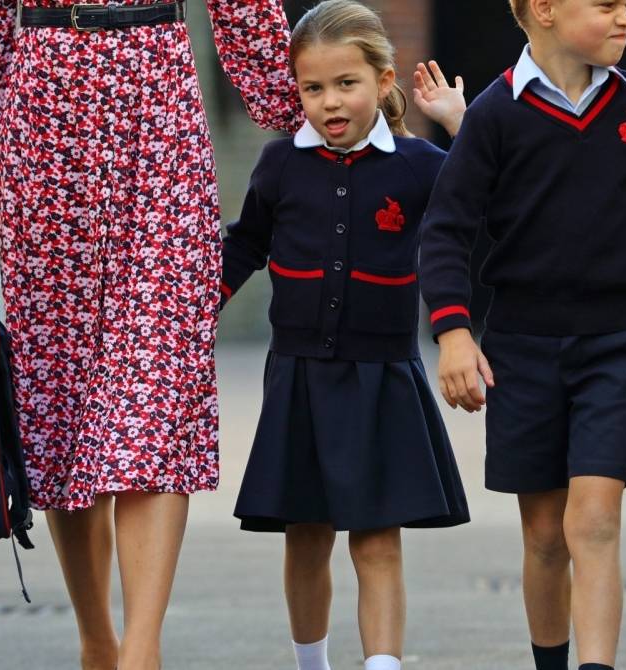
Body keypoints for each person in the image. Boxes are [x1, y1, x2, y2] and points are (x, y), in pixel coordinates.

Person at [0, 2, 302, 668]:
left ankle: (140, 651)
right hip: (45, 119)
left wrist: (302, 106)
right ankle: (98, 641)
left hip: (159, 113)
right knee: (63, 403)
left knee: (156, 388)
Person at [417, 1, 626, 668]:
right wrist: (453, 334)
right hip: (522, 349)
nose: (625, 17)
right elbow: (446, 230)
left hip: (617, 343)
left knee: (595, 521)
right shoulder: (494, 114)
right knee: (546, 535)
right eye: (606, 4)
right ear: (545, 10)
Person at [220, 3, 471, 669]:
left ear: (384, 81)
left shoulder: (421, 165)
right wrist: (186, 319)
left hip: (382, 375)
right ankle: (313, 664)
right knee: (305, 534)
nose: (329, 102)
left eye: (346, 84)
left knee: (378, 536)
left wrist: (459, 126)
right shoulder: (279, 165)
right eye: (312, 88)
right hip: (299, 375)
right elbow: (242, 247)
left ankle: (382, 665)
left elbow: (486, 209)